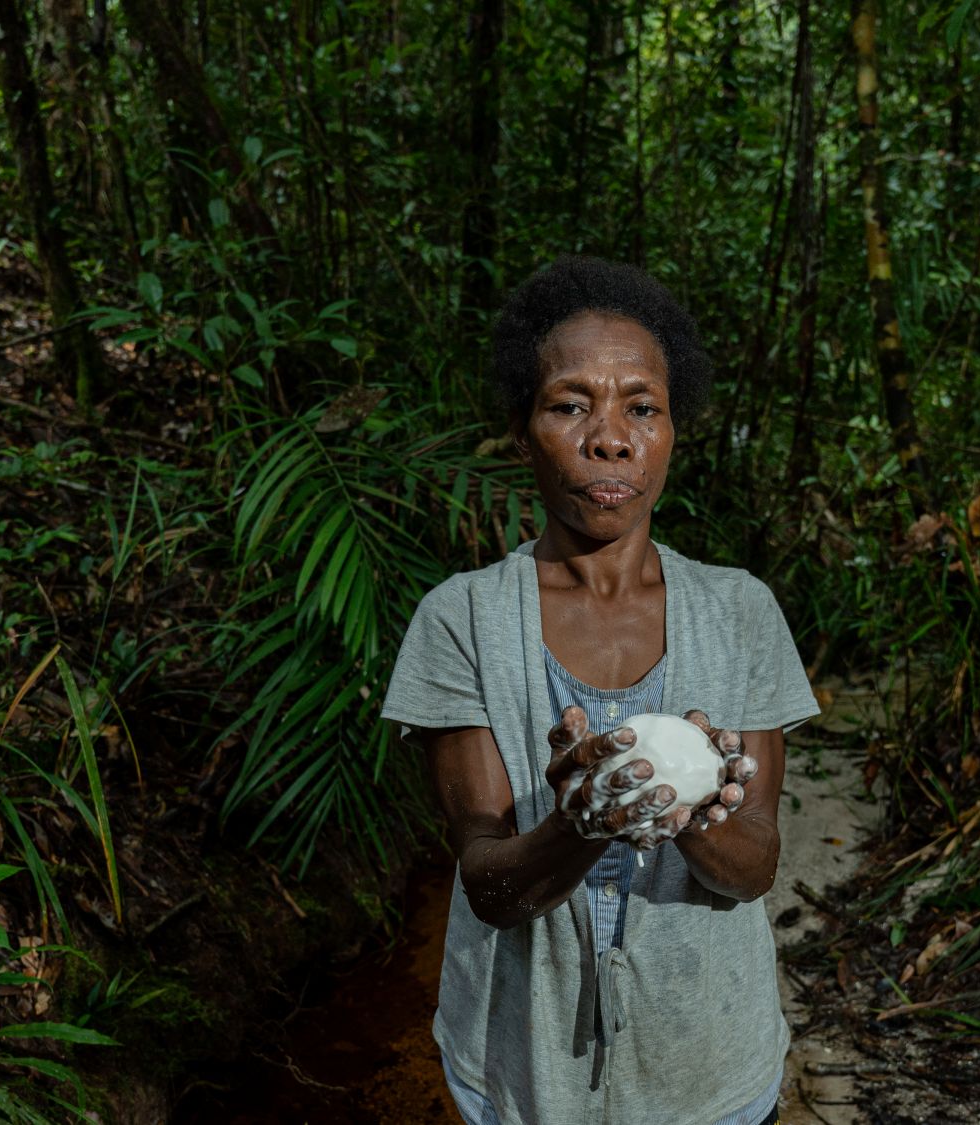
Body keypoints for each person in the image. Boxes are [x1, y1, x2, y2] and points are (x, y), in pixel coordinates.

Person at [382, 256, 819, 1125]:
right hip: (524, 1073)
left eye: (641, 407)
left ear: (671, 430)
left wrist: (695, 812)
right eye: (570, 403)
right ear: (521, 428)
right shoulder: (461, 619)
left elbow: (755, 866)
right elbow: (487, 882)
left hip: (709, 1070)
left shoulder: (740, 611)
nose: (610, 437)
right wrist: (579, 826)